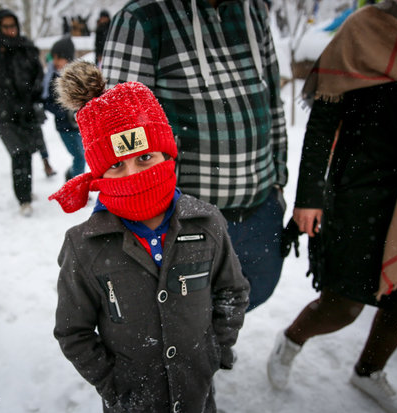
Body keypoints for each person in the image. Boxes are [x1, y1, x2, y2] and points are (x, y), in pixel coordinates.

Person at [267, 1, 397, 413]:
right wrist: (309, 195)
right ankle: (291, 340)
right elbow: (324, 116)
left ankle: (368, 370)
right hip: (360, 189)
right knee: (343, 304)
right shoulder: (368, 27)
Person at [50, 61, 250, 413]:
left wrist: (214, 352)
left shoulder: (207, 224)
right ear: (99, 173)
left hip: (198, 397)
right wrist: (114, 385)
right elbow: (73, 331)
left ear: (166, 154)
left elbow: (231, 292)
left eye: (144, 157)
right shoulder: (84, 246)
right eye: (116, 165)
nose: (134, 174)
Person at [101, 0, 288, 311]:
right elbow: (117, 137)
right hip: (187, 220)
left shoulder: (253, 10)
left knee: (248, 298)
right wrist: (142, 222)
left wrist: (278, 183)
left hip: (260, 210)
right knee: (183, 318)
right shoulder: (141, 19)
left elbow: (272, 103)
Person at [0, 9, 55, 216]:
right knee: (18, 153)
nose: (10, 31)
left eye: (13, 26)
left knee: (29, 151)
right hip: (4, 113)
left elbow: (39, 74)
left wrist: (36, 92)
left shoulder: (27, 47)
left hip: (27, 110)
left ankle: (26, 190)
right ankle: (23, 199)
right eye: (5, 27)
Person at [42, 36, 86, 180]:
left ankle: (73, 179)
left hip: (79, 126)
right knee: (79, 157)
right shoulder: (54, 79)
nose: (55, 62)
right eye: (53, 58)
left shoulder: (78, 77)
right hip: (64, 127)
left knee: (82, 157)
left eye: (58, 58)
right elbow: (47, 102)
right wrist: (63, 111)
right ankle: (75, 184)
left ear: (67, 58)